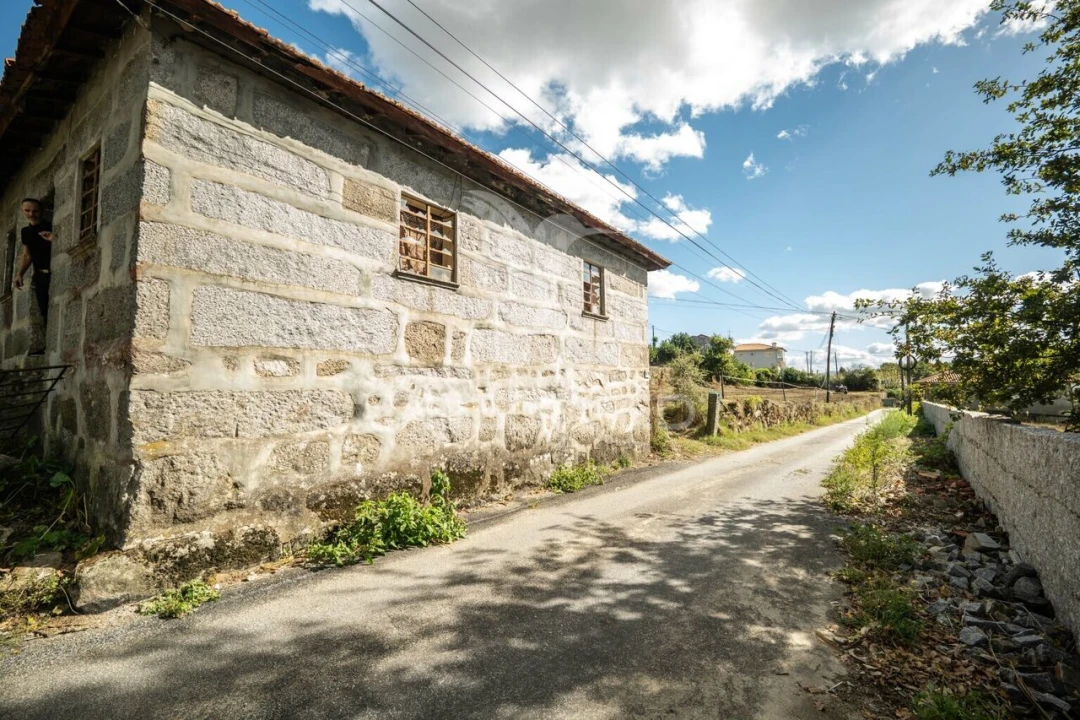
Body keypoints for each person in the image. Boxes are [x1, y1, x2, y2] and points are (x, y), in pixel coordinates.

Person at [14, 197, 53, 355]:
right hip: (40, 276)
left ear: (41, 211)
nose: (31, 214)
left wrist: (53, 238)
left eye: (35, 211)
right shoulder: (26, 232)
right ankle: (48, 345)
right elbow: (27, 254)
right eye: (27, 210)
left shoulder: (51, 226)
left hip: (54, 272)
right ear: (23, 211)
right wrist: (19, 274)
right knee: (44, 311)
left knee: (52, 308)